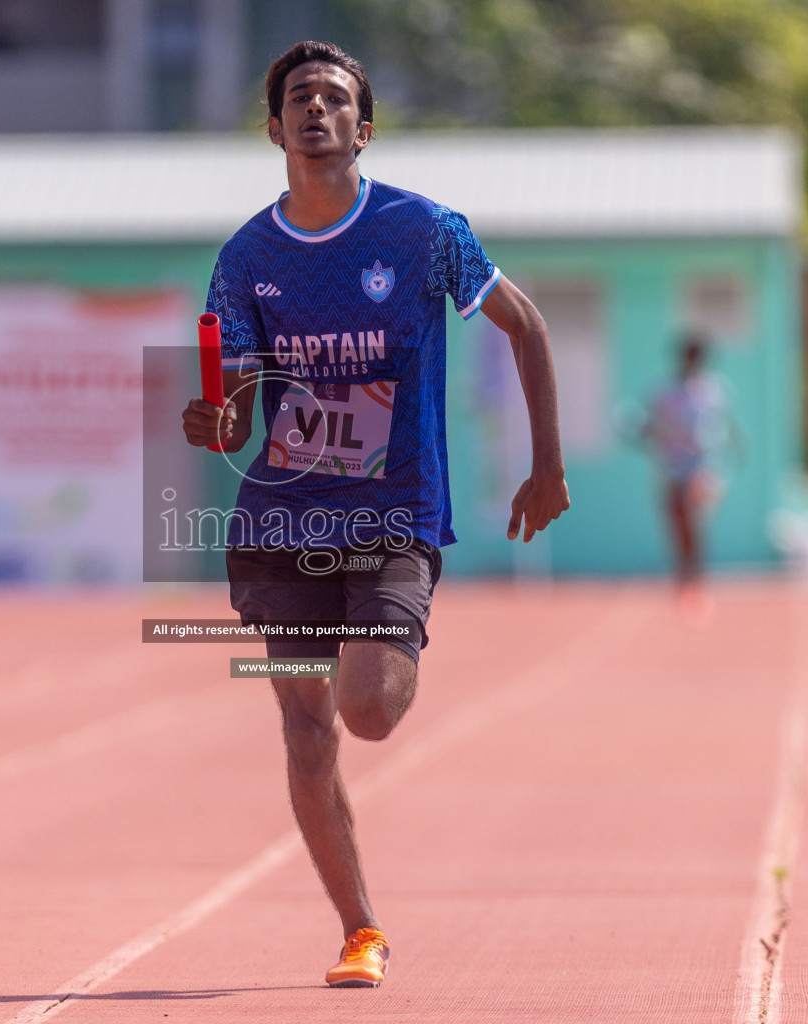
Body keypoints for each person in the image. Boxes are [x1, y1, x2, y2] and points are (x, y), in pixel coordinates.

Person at [181, 40, 569, 988]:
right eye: (299, 99)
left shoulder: (424, 230)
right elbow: (233, 404)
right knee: (305, 728)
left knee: (368, 711)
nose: (317, 110)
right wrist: (212, 419)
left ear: (365, 125)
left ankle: (393, 644)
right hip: (285, 520)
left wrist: (546, 465)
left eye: (335, 98)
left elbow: (529, 324)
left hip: (395, 511)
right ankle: (360, 930)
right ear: (274, 128)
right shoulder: (247, 258)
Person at [640, 334, 734, 611]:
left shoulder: (714, 390)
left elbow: (720, 428)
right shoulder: (665, 391)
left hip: (702, 467)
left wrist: (719, 460)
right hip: (672, 465)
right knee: (677, 520)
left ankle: (696, 579)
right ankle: (684, 573)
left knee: (693, 518)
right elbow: (652, 426)